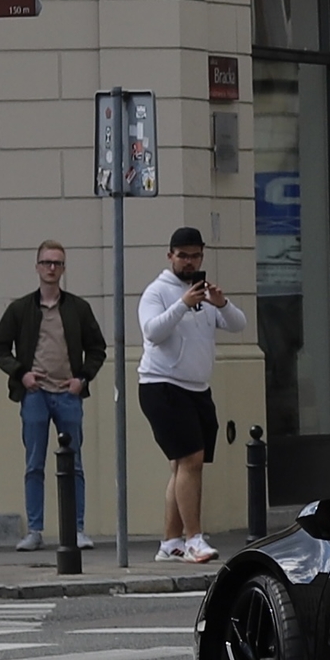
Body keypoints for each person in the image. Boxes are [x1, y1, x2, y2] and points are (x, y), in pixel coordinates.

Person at [0, 241, 107, 552]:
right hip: (35, 394)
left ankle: (77, 530)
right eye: (46, 262)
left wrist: (82, 378)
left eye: (57, 263)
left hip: (68, 393)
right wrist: (21, 373)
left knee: (75, 464)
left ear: (64, 268)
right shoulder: (21, 309)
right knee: (34, 464)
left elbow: (97, 348)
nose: (51, 268)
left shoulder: (78, 308)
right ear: (37, 267)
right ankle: (35, 530)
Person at [138, 226, 247, 563]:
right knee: (191, 460)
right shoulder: (157, 292)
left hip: (197, 388)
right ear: (170, 256)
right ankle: (193, 539)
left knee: (181, 466)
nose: (189, 262)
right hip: (162, 385)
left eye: (195, 255)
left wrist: (221, 303)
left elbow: (239, 324)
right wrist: (183, 305)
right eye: (182, 255)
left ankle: (171, 542)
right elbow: (152, 331)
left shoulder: (202, 293)